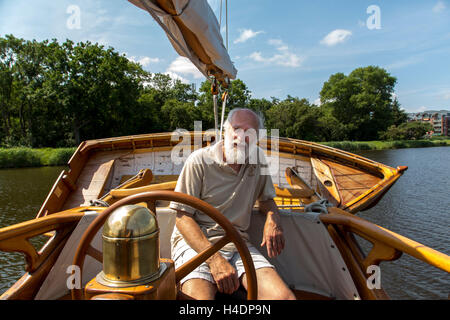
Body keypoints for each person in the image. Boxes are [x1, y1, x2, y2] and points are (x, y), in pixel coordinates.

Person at [169, 108, 296, 300]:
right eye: (236, 128)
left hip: (237, 243)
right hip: (196, 245)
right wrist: (214, 260)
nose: (240, 136)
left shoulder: (258, 160)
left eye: (249, 132)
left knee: (284, 298)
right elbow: (182, 217)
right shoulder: (198, 161)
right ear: (224, 131)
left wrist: (273, 219)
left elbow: (267, 200)